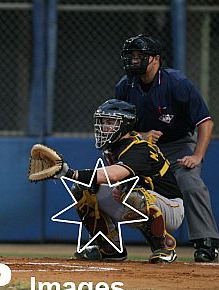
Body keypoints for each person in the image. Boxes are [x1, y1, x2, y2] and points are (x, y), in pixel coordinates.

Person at [116, 34, 219, 262]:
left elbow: (205, 122)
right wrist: (140, 135)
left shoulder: (176, 83)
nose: (134, 60)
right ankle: (153, 242)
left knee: (190, 182)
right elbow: (120, 130)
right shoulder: (125, 86)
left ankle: (206, 242)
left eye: (140, 56)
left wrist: (197, 155)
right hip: (143, 149)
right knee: (132, 192)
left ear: (155, 59)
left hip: (179, 145)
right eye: (131, 56)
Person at [55, 99, 184, 263]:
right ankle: (110, 248)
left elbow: (114, 175)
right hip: (136, 199)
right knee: (83, 188)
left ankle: (164, 247)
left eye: (110, 122)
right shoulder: (113, 148)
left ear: (125, 125)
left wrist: (70, 173)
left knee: (134, 196)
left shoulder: (140, 148)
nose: (104, 127)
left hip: (170, 207)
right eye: (103, 122)